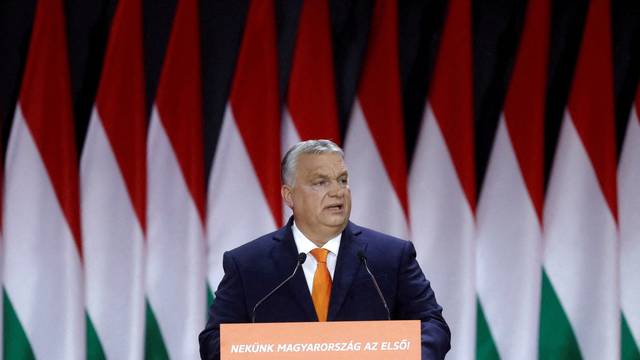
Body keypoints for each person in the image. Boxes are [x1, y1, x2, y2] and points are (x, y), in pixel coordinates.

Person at [199, 139, 450, 359]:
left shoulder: (391, 256)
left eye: (342, 180)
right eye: (320, 182)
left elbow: (432, 326)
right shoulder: (248, 264)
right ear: (290, 196)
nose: (337, 191)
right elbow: (215, 340)